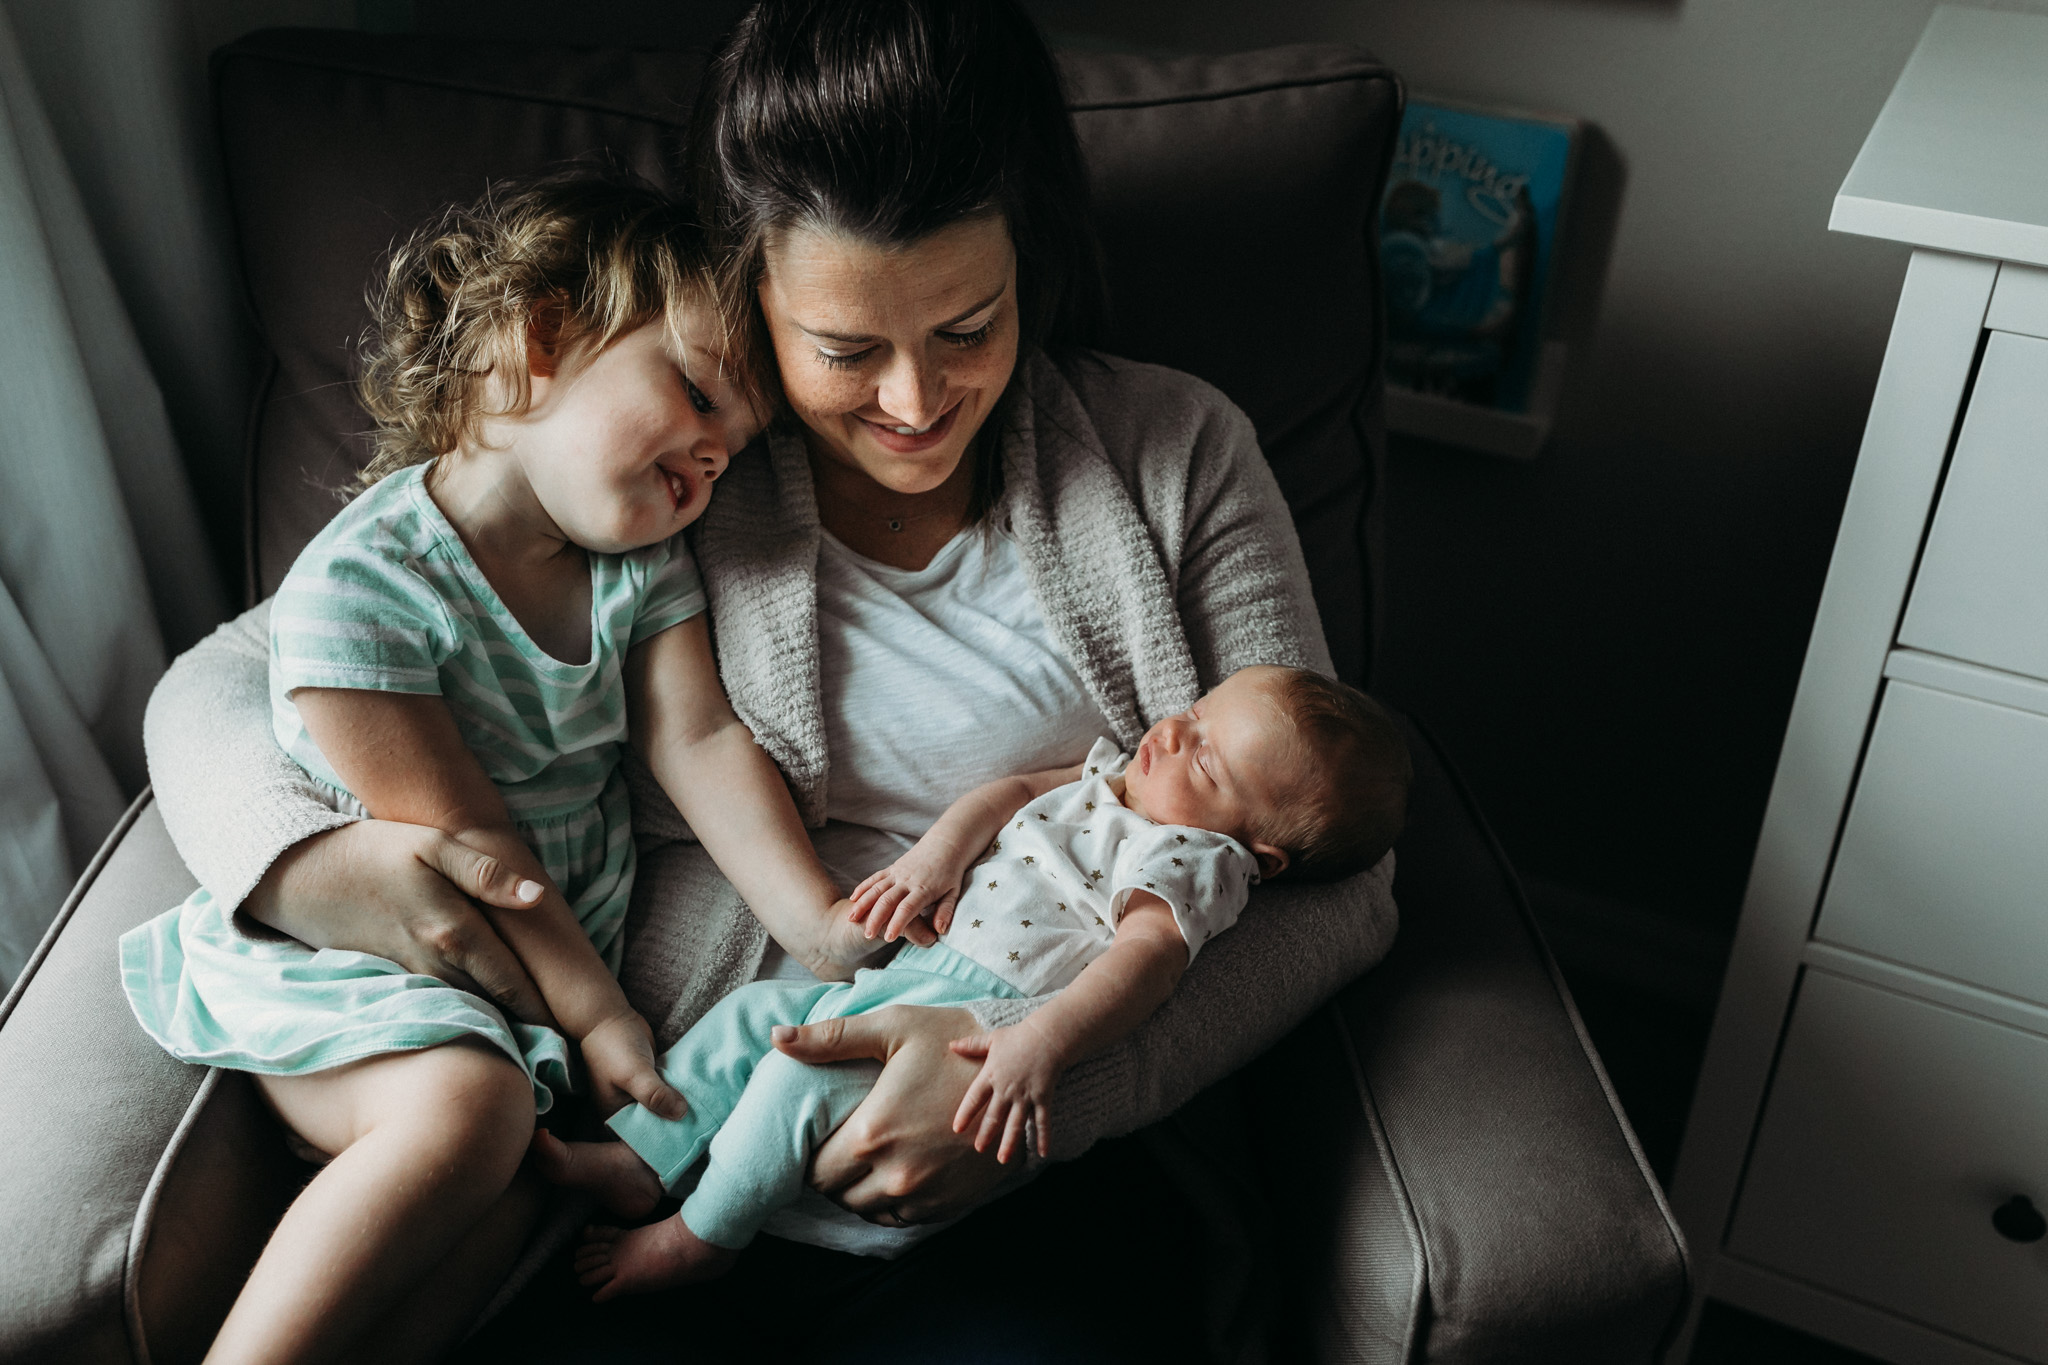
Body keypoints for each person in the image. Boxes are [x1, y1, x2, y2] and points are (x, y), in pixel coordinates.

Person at [144, 1, 1400, 1357]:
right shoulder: (662, 467)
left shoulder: (1174, 455)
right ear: (747, 301)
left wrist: (1028, 1100)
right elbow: (236, 674)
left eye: (968, 328)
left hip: (1000, 1164)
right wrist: (304, 860)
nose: (915, 402)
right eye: (845, 351)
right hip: (668, 1122)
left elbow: (1334, 879)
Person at [122, 174, 863, 1365]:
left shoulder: (640, 574)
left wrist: (818, 923)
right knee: (468, 1112)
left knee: (524, 1188)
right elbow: (473, 851)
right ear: (541, 337)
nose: (711, 462)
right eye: (692, 395)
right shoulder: (364, 593)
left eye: (731, 453)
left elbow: (699, 740)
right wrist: (603, 1018)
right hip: (368, 979)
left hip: (528, 1010)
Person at [552, 665, 1410, 1298]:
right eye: (1193, 713)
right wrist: (934, 861)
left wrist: (1041, 1043)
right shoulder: (1114, 782)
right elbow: (1005, 794)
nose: (1174, 734)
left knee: (791, 1073)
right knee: (754, 1015)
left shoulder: (1191, 859)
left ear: (1259, 853)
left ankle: (703, 1236)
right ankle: (641, 1155)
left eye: (1211, 764)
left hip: (980, 1019)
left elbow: (1143, 966)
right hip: (911, 976)